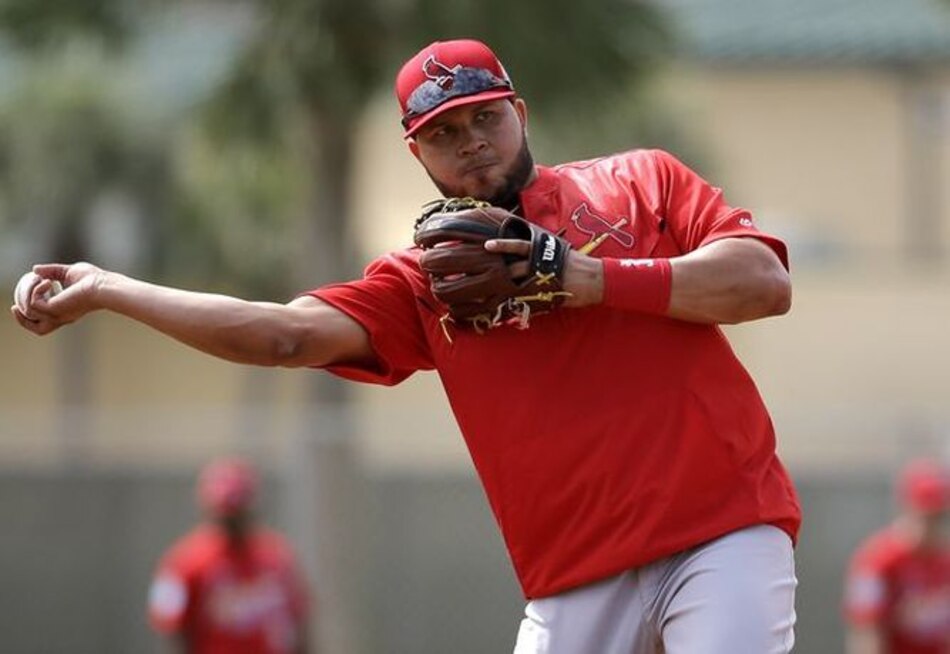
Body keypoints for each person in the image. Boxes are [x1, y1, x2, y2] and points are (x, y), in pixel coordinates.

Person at [13, 39, 800, 653]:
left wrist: (581, 275)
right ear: (415, 152)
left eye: (485, 117)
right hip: (573, 577)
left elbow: (761, 281)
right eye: (443, 133)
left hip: (721, 531)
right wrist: (112, 287)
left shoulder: (639, 183)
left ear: (519, 111)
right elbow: (284, 335)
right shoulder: (421, 284)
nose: (472, 142)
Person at [147, 457, 311, 654]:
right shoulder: (184, 563)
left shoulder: (277, 557)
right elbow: (170, 627)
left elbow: (300, 621)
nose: (233, 522)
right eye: (227, 514)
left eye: (238, 513)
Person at [843, 459, 950, 654]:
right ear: (907, 508)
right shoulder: (877, 560)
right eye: (926, 515)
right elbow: (867, 631)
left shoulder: (944, 560)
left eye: (938, 517)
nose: (932, 525)